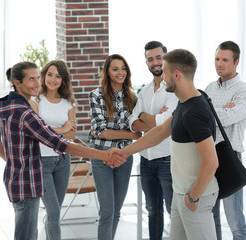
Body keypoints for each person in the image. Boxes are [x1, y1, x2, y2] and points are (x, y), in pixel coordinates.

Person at [0, 61, 125, 240]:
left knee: (28, 232)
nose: (37, 83)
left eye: (37, 78)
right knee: (28, 234)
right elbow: (60, 143)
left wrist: (11, 161)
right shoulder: (25, 113)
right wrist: (103, 154)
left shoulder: (7, 105)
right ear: (17, 83)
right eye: (31, 79)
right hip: (27, 183)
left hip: (20, 180)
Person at [110, 49, 219, 240]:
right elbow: (160, 132)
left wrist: (193, 197)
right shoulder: (185, 104)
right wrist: (124, 152)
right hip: (181, 194)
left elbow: (211, 162)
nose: (163, 76)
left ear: (176, 74)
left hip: (196, 197)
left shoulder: (195, 110)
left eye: (166, 72)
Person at [88, 54, 141, 240]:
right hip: (102, 156)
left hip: (124, 157)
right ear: (107, 72)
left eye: (123, 68)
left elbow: (140, 128)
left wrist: (134, 134)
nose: (121, 72)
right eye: (115, 69)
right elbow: (102, 132)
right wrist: (131, 135)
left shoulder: (132, 97)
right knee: (107, 211)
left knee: (117, 211)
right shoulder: (96, 95)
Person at [128, 41, 177, 240]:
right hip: (146, 161)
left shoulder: (173, 88)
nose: (155, 62)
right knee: (152, 211)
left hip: (167, 160)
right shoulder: (145, 91)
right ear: (146, 62)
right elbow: (131, 121)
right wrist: (153, 119)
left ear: (166, 58)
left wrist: (146, 118)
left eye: (159, 57)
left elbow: (164, 123)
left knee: (174, 213)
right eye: (150, 59)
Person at [205, 40, 246, 240]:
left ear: (236, 62)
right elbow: (203, 119)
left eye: (225, 60)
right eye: (217, 59)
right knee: (211, 217)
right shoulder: (209, 87)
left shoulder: (245, 91)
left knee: (235, 222)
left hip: (229, 158)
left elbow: (225, 118)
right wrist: (223, 109)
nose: (219, 63)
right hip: (208, 158)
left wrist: (213, 113)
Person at [29, 60, 76, 240]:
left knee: (54, 212)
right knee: (54, 211)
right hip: (42, 160)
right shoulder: (35, 101)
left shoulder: (68, 103)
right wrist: (62, 129)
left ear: (63, 79)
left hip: (63, 161)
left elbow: (72, 135)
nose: (53, 79)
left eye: (58, 76)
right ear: (44, 76)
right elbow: (36, 132)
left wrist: (58, 131)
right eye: (50, 74)